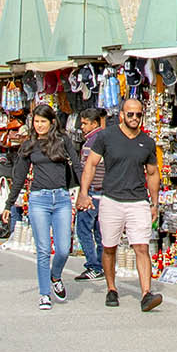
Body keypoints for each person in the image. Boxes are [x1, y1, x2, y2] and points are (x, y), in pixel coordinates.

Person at [77, 97, 163, 313]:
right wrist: (84, 193)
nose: (135, 118)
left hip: (138, 201)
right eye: (130, 114)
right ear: (122, 115)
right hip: (111, 199)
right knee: (109, 247)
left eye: (138, 114)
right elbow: (91, 165)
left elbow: (153, 173)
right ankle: (111, 288)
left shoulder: (147, 141)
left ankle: (146, 293)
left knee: (141, 247)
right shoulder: (107, 137)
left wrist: (154, 203)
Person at [7, 103, 79, 311]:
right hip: (39, 198)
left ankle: (55, 275)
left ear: (52, 122)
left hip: (62, 198)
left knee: (64, 248)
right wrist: (9, 203)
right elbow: (19, 175)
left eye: (43, 121)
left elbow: (77, 164)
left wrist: (85, 191)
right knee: (43, 250)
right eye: (36, 122)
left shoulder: (63, 140)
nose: (39, 125)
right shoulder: (29, 144)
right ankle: (44, 293)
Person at [71, 107, 106, 280]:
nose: (82, 127)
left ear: (94, 123)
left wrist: (84, 193)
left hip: (93, 191)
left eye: (85, 123)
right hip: (104, 193)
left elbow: (89, 169)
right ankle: (101, 265)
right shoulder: (104, 139)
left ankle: (94, 265)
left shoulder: (92, 143)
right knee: (100, 232)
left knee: (83, 229)